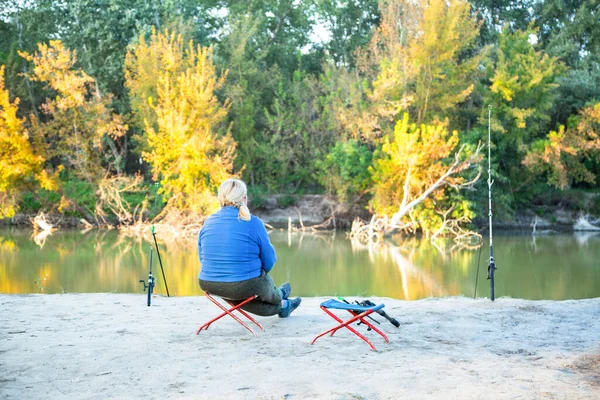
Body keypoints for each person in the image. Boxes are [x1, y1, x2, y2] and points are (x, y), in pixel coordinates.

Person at [198, 178, 301, 317]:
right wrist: (261, 274)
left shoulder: (208, 222)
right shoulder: (253, 222)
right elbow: (269, 259)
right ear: (244, 198)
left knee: (238, 289)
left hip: (208, 283)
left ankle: (281, 297)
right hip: (244, 284)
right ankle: (282, 300)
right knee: (259, 280)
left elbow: (202, 257)